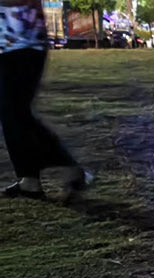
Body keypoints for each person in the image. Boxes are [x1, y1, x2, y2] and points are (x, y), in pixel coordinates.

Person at [0, 0, 91, 199]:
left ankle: (69, 167)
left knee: (14, 112)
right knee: (11, 113)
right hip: (8, 44)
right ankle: (29, 179)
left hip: (24, 43)